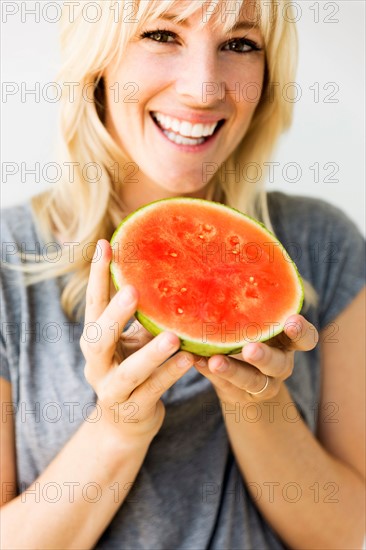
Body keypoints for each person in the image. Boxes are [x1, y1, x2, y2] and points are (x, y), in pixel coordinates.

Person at [1, 1, 365, 548]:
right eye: (162, 36)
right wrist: (119, 425)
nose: (203, 88)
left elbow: (346, 531)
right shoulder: (6, 259)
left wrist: (259, 403)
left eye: (240, 45)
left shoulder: (324, 243)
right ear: (98, 59)